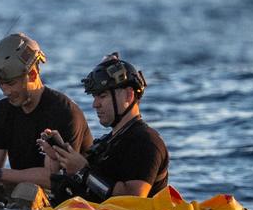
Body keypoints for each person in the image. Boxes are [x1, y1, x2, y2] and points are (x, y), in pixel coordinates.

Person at [0, 33, 90, 208]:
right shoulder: (1, 110)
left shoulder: (63, 111)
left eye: (11, 84)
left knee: (27, 191)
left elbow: (53, 178)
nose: (5, 91)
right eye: (0, 84)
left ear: (33, 74)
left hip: (63, 198)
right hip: (15, 189)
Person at [41, 52, 169, 201]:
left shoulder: (146, 142)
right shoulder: (108, 142)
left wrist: (82, 172)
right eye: (94, 97)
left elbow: (134, 199)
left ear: (129, 95)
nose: (95, 104)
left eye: (102, 96)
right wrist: (60, 153)